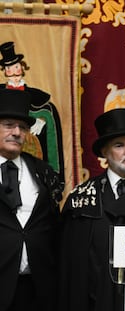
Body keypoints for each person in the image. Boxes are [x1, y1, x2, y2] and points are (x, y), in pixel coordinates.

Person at [58, 108, 125, 311]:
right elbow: (69, 267)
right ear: (105, 153)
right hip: (95, 300)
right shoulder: (81, 199)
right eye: (119, 145)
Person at [0, 89, 64, 311]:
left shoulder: (42, 171)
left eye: (23, 127)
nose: (17, 132)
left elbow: (53, 226)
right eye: (9, 125)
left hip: (38, 291)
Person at [0, 41, 64, 182]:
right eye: (9, 68)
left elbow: (46, 113)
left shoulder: (37, 97)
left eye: (16, 67)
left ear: (22, 68)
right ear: (4, 71)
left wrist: (41, 120)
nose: (14, 72)